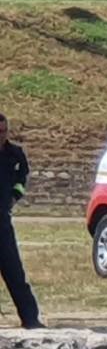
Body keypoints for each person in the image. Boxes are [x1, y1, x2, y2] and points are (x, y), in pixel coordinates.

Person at [0, 113, 41, 329]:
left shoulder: (15, 154)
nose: (2, 136)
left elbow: (21, 179)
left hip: (2, 223)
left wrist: (15, 196)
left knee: (15, 273)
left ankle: (31, 319)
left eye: (4, 131)